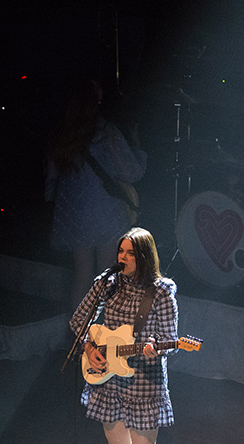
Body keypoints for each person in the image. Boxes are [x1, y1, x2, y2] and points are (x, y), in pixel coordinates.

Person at [69, 227, 176, 444]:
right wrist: (89, 348)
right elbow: (78, 321)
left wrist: (152, 349)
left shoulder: (160, 294)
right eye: (121, 251)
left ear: (144, 256)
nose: (123, 258)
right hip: (109, 378)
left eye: (130, 253)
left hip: (144, 382)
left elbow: (169, 341)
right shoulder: (108, 283)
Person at [46, 79, 148, 308]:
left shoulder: (63, 133)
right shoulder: (106, 132)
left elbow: (52, 177)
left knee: (81, 275)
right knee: (106, 275)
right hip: (104, 212)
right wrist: (139, 149)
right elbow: (131, 172)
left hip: (73, 213)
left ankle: (79, 337)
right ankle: (103, 336)